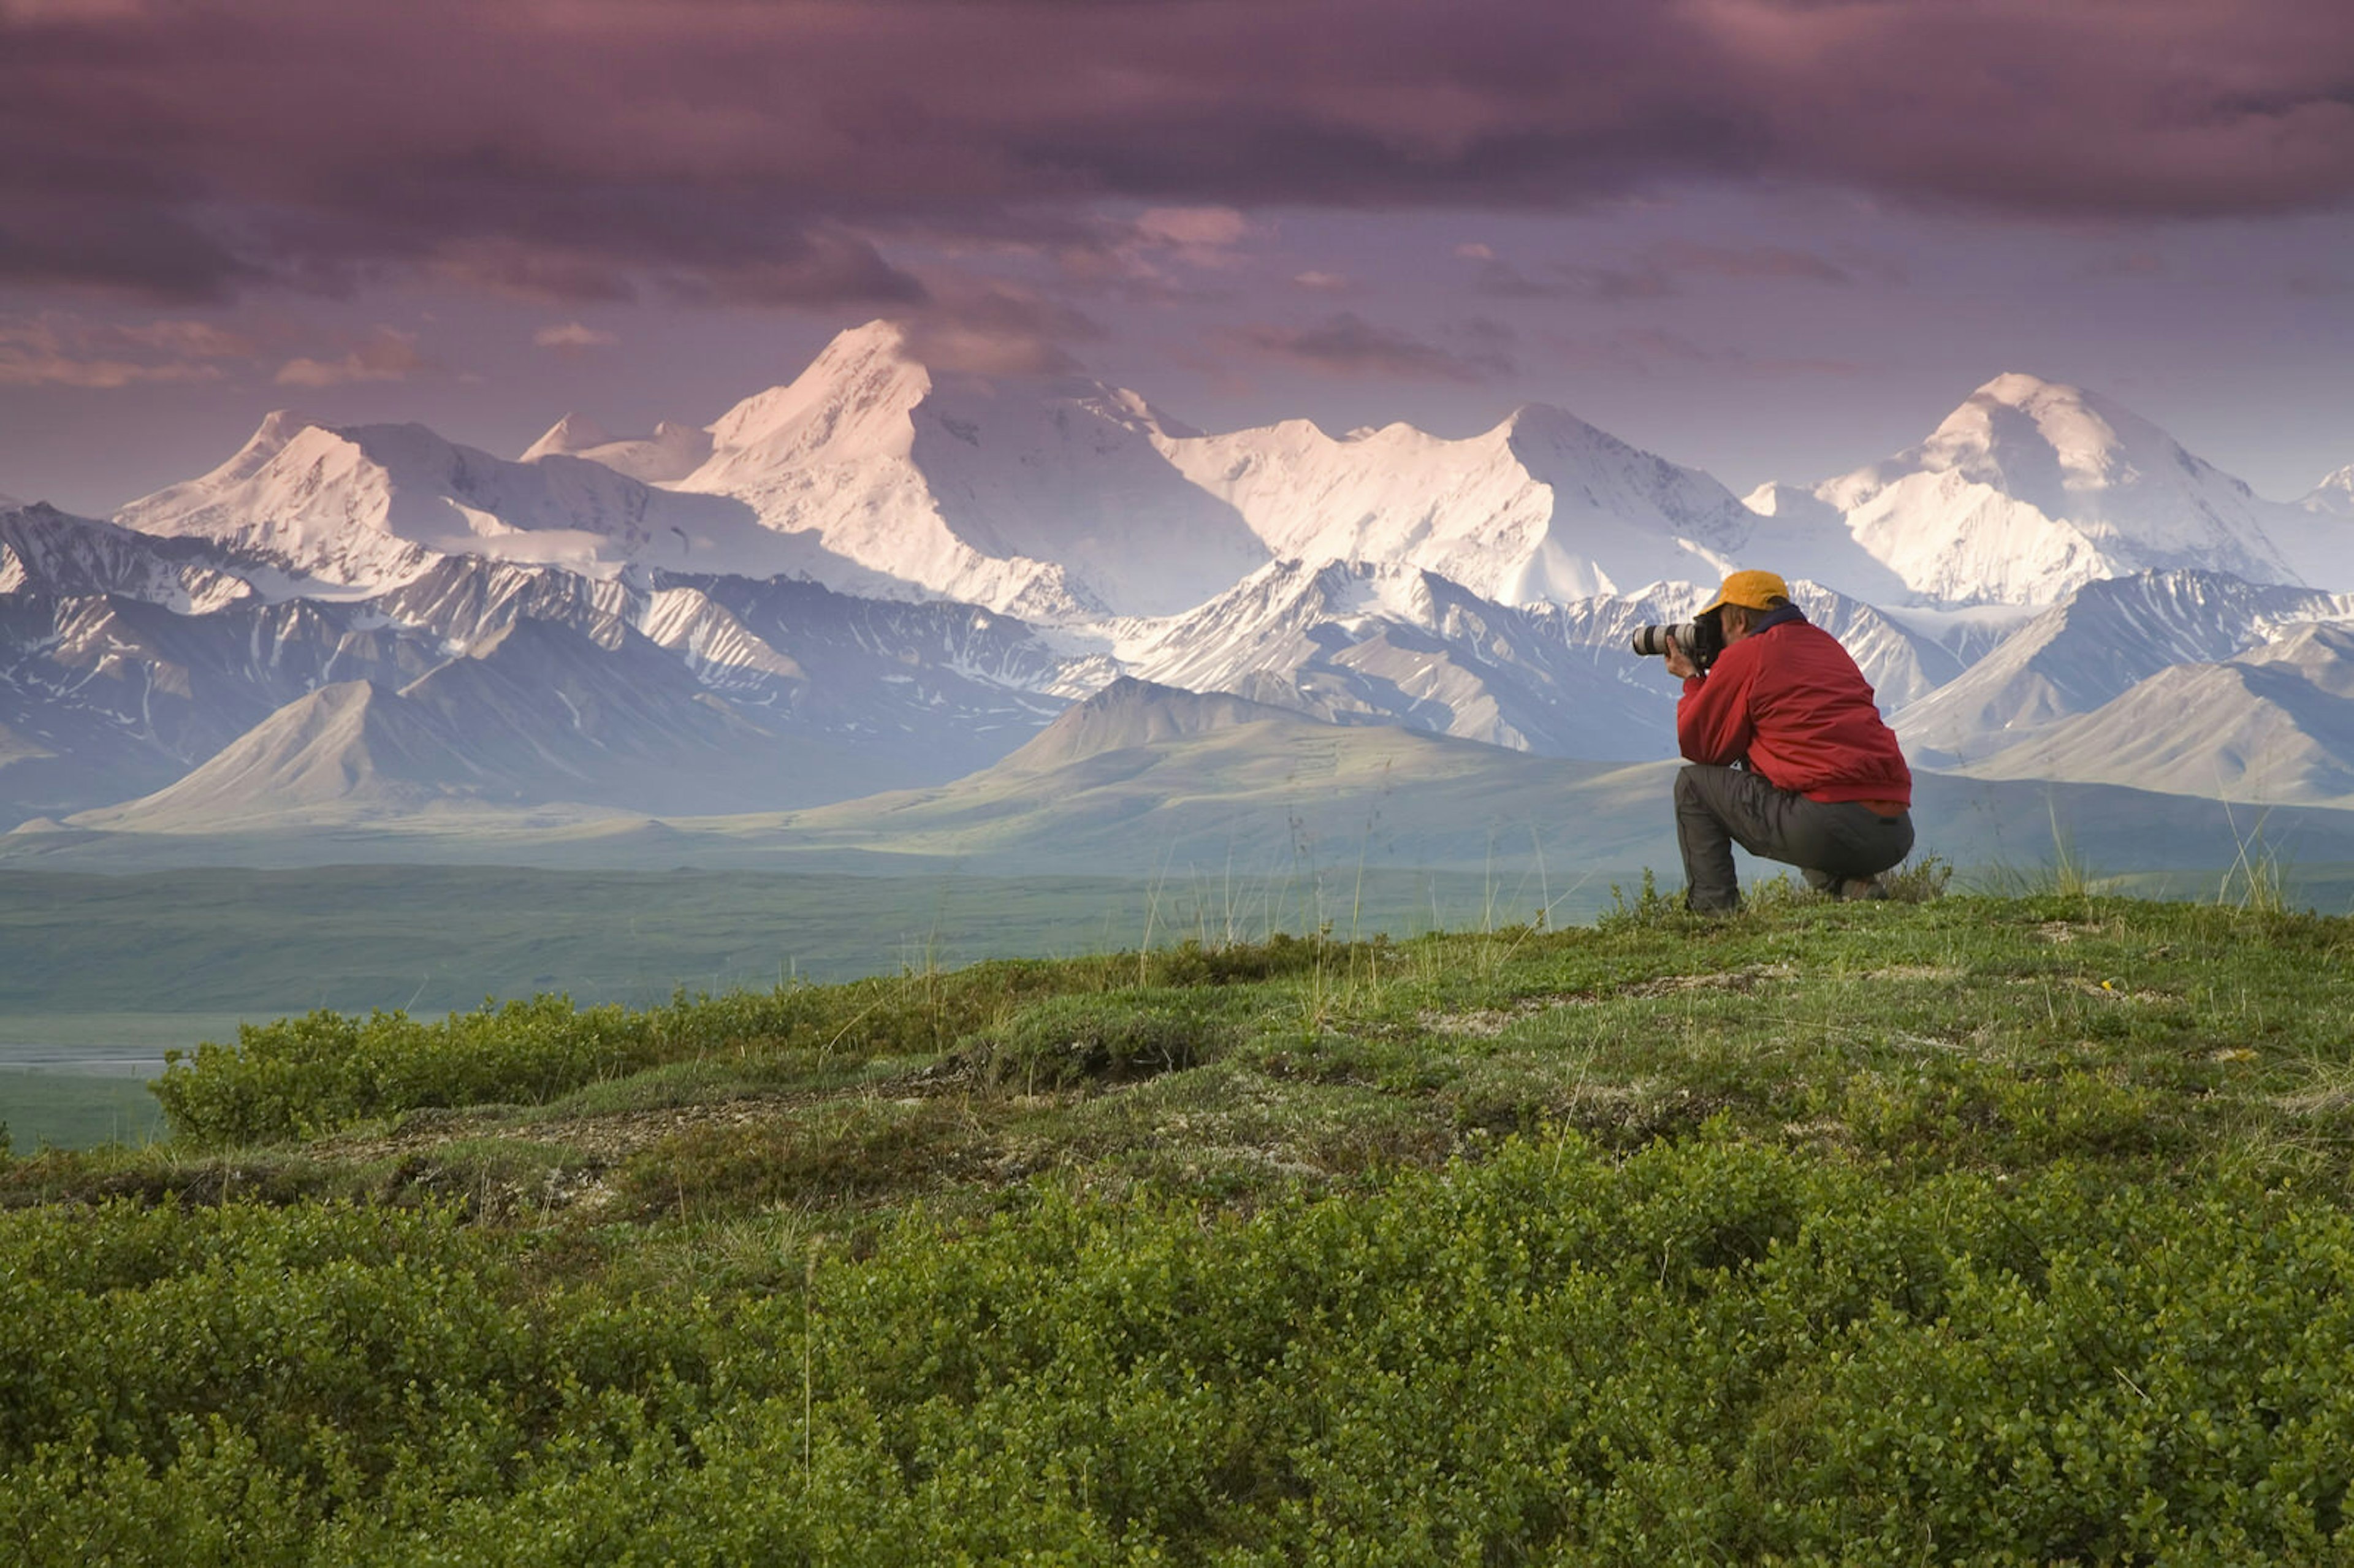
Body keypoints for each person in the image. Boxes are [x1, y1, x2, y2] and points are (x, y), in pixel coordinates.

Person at [1663, 569, 1913, 912]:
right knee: (1796, 777)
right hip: (1895, 833)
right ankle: (1851, 886)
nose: (1717, 637)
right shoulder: (1826, 644)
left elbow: (1700, 747)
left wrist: (1693, 680)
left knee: (1692, 785)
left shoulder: (1750, 653)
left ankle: (1713, 911)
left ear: (1739, 619)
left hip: (1828, 826)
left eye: (1718, 624)